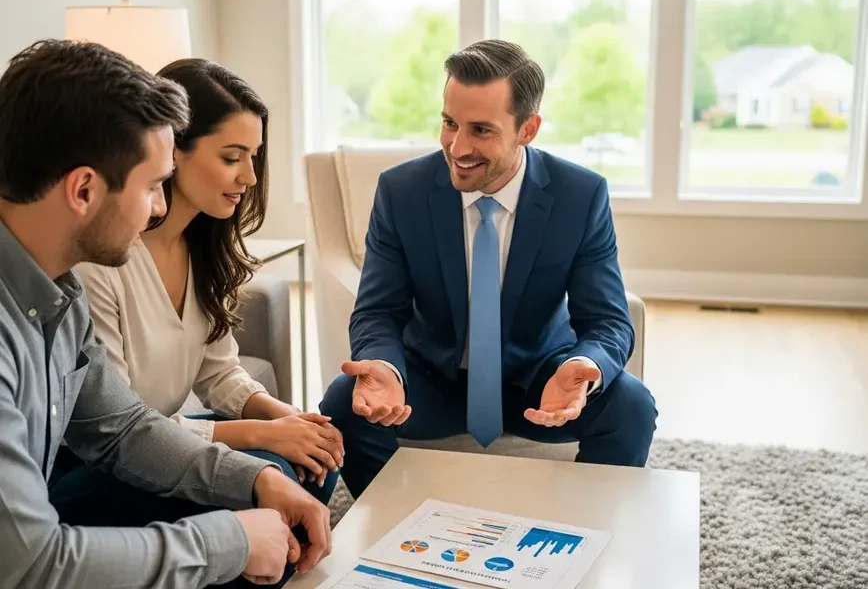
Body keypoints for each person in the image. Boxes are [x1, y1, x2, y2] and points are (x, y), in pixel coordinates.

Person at [0, 40, 330, 589]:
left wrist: (255, 480)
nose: (159, 207)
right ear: (83, 189)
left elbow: (121, 428)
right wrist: (232, 540)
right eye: (153, 186)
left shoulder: (57, 290)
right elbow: (32, 563)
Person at [320, 39, 658, 498]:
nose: (457, 146)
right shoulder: (401, 192)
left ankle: (580, 536)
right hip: (430, 382)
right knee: (345, 400)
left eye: (480, 130)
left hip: (539, 382)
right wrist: (382, 368)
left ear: (528, 129)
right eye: (449, 123)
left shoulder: (580, 195)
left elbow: (607, 320)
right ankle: (397, 527)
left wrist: (583, 366)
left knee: (632, 406)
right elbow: (379, 310)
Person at [71, 58, 342, 509]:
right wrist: (264, 433)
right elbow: (118, 430)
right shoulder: (101, 261)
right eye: (231, 158)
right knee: (271, 480)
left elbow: (218, 371)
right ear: (172, 149)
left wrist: (288, 417)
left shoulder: (202, 247)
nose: (249, 177)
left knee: (311, 468)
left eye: (253, 157)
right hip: (102, 463)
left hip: (165, 435)